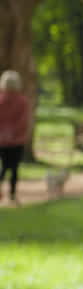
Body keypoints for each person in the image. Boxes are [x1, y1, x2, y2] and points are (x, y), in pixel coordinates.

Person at [0, 70, 33, 205]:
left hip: (1, 140)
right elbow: (23, 121)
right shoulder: (22, 101)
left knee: (3, 166)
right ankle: (12, 195)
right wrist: (14, 133)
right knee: (14, 168)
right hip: (17, 140)